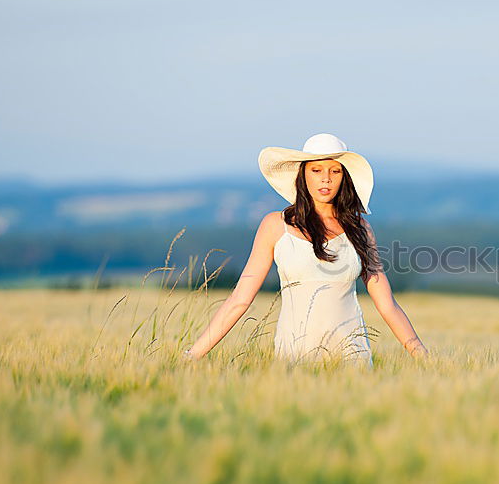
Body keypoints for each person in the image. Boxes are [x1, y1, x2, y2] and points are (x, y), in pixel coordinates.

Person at [183, 133, 429, 365]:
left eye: (335, 171)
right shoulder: (275, 226)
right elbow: (239, 300)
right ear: (303, 175)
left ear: (345, 178)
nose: (326, 178)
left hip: (353, 359)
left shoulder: (360, 229)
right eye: (316, 170)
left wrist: (424, 358)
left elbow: (386, 303)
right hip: (294, 357)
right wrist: (191, 356)